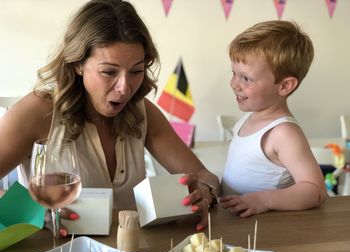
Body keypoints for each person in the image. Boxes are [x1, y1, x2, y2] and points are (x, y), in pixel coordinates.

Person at [0, 0, 219, 235]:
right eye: (109, 72)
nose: (125, 88)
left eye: (136, 71)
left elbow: (205, 176)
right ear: (78, 65)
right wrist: (33, 211)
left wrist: (205, 191)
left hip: (130, 251)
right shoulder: (38, 111)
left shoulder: (142, 111)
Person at [220, 20, 328, 218]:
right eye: (234, 73)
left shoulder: (283, 133)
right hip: (235, 226)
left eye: (246, 78)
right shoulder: (247, 120)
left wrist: (264, 199)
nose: (234, 84)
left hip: (263, 231)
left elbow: (315, 190)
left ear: (285, 86)